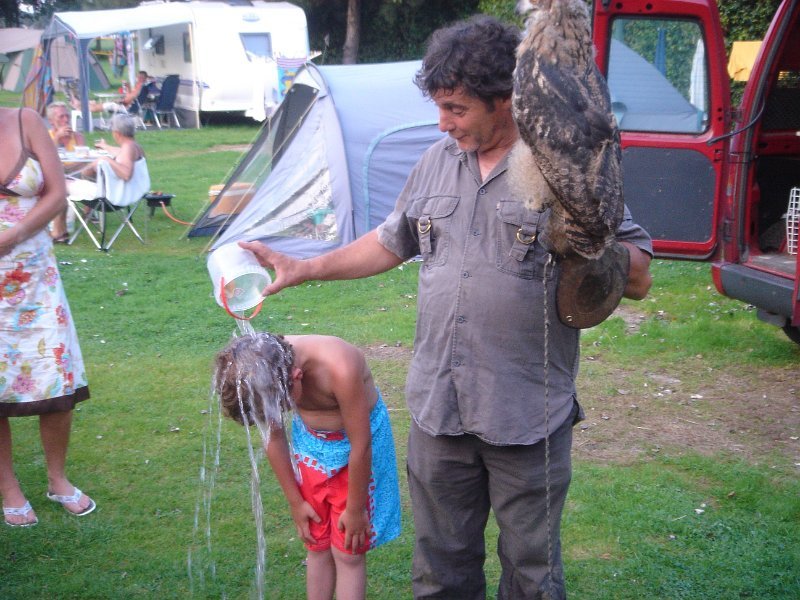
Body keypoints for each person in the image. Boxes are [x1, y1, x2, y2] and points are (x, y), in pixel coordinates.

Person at [240, 15, 653, 599]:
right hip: (440, 411)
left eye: (457, 109)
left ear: (506, 100)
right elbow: (389, 241)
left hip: (526, 415)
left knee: (532, 572)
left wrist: (589, 239)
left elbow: (637, 278)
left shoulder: (563, 168)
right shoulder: (436, 161)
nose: (444, 122)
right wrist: (305, 267)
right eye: (440, 107)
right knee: (439, 571)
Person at [214, 332, 400, 600]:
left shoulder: (339, 367)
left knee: (348, 552)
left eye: (283, 406)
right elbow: (274, 436)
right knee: (316, 545)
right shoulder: (264, 370)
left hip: (358, 452)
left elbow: (361, 445)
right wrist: (295, 501)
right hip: (311, 447)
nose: (280, 414)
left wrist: (356, 509)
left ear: (297, 376)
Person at [0, 106, 94, 527]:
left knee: (53, 375)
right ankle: (9, 488)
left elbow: (58, 193)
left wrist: (14, 234)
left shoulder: (25, 121)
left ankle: (57, 479)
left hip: (36, 279)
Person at [67, 113, 146, 203]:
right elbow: (121, 152)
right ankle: (87, 215)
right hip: (128, 191)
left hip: (113, 195)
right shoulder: (134, 147)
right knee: (86, 174)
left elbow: (126, 174)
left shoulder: (128, 148)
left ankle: (68, 217)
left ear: (117, 133)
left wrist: (105, 159)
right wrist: (105, 146)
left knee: (63, 183)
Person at [70, 70, 150, 115]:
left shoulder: (139, 88)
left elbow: (127, 100)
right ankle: (80, 105)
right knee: (98, 104)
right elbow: (131, 98)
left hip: (124, 108)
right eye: (138, 77)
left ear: (144, 78)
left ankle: (80, 106)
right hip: (125, 107)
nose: (138, 79)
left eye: (140, 77)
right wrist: (128, 88)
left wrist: (119, 101)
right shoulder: (139, 87)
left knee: (97, 107)